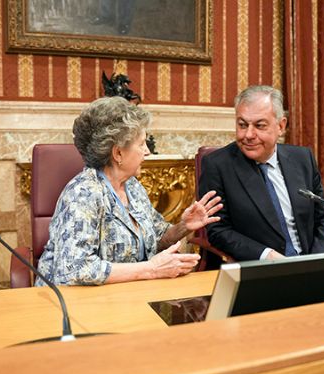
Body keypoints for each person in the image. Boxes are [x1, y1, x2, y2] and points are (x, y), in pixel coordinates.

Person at [36, 96, 222, 286]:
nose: (148, 151)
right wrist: (151, 269)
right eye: (142, 144)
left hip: (126, 295)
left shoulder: (133, 187)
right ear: (118, 153)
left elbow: (156, 239)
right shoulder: (84, 193)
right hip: (75, 304)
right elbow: (75, 269)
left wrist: (183, 226)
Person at [198, 85, 324, 261]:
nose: (248, 134)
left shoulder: (303, 159)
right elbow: (218, 231)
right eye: (242, 125)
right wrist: (266, 255)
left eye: (259, 125)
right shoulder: (218, 166)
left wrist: (318, 261)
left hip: (310, 265)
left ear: (281, 126)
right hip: (259, 268)